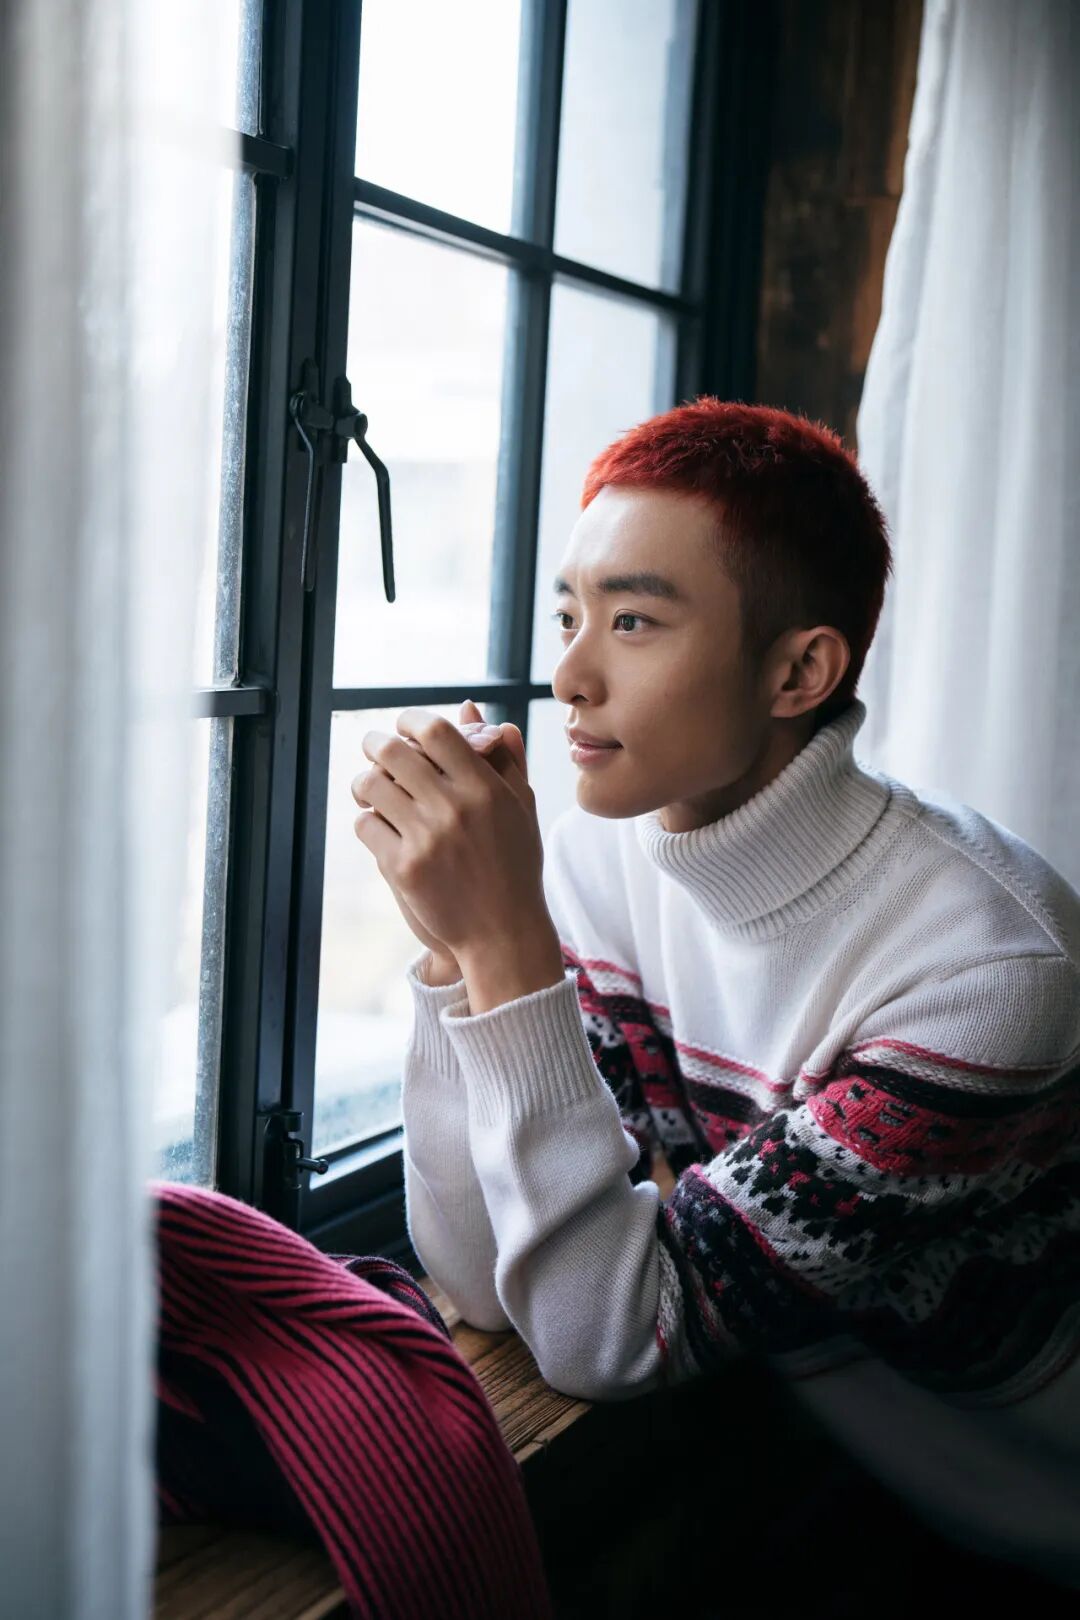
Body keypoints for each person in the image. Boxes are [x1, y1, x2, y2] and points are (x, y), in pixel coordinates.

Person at [351, 398, 1080, 1605]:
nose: (569, 675)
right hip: (843, 1485)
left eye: (633, 621)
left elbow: (611, 1336)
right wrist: (454, 956)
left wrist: (506, 943)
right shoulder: (602, 858)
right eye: (569, 615)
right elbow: (482, 1284)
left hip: (1038, 1512)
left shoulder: (987, 973)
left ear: (799, 670)